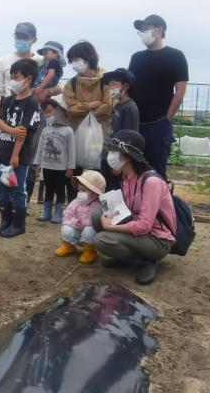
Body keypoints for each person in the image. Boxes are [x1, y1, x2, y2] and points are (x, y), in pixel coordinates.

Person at [92, 129, 177, 285]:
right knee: (97, 215)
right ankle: (125, 257)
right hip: (140, 229)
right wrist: (110, 212)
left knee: (102, 240)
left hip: (157, 239)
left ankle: (146, 261)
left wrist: (110, 227)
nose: (110, 154)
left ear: (128, 155)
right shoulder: (127, 177)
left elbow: (144, 226)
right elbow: (128, 209)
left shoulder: (151, 182)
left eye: (114, 150)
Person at [128, 14, 189, 179]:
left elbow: (180, 90)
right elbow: (129, 87)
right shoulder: (136, 58)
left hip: (158, 124)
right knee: (132, 170)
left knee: (156, 173)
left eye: (146, 28)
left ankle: (159, 205)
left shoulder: (176, 56)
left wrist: (167, 119)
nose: (142, 32)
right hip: (134, 122)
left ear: (159, 30)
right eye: (141, 30)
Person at [0, 58, 41, 238]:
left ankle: (18, 224)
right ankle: (5, 221)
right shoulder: (9, 100)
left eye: (15, 77)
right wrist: (11, 129)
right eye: (11, 77)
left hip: (17, 156)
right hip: (1, 152)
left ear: (28, 78)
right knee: (1, 187)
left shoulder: (32, 103)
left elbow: (23, 134)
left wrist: (15, 155)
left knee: (17, 188)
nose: (12, 80)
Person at [62, 40, 113, 199]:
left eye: (77, 59)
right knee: (73, 175)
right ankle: (72, 208)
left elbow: (110, 106)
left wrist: (81, 108)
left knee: (99, 178)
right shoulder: (71, 84)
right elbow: (70, 109)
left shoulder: (107, 80)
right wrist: (91, 105)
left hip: (101, 138)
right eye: (72, 60)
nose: (74, 63)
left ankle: (99, 211)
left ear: (89, 58)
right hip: (76, 137)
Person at [34, 95, 75, 223]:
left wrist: (70, 167)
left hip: (60, 168)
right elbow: (40, 148)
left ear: (60, 112)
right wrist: (38, 164)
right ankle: (46, 213)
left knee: (60, 190)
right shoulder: (46, 130)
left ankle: (58, 214)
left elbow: (71, 150)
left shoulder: (68, 131)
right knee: (48, 189)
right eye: (45, 112)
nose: (47, 115)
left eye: (50, 111)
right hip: (47, 166)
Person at [100, 68, 140, 190]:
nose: (110, 87)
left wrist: (120, 163)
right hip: (107, 156)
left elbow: (130, 139)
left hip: (117, 161)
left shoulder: (129, 108)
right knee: (106, 191)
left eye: (114, 84)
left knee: (115, 193)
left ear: (126, 86)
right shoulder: (118, 105)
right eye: (109, 84)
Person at [55, 170, 105, 264]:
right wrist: (75, 222)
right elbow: (67, 215)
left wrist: (84, 226)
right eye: (80, 190)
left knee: (89, 231)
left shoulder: (100, 206)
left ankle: (89, 251)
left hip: (89, 234)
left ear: (95, 193)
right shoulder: (76, 202)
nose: (81, 193)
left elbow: (99, 222)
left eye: (84, 190)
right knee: (66, 229)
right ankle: (68, 246)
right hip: (77, 231)